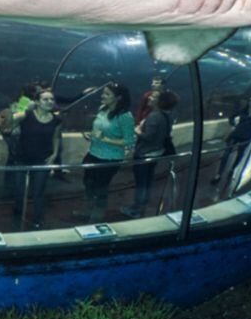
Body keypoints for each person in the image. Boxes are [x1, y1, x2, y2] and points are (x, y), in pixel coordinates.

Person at [77, 82, 135, 222]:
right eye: (103, 93)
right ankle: (88, 209)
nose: (102, 96)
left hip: (110, 158)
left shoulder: (125, 116)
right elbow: (99, 130)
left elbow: (128, 141)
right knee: (88, 182)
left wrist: (105, 139)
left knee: (101, 187)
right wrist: (92, 136)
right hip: (93, 153)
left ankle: (98, 213)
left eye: (107, 94)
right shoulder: (103, 109)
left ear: (119, 98)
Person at [122, 89, 179, 219]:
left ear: (161, 102)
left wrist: (137, 130)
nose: (150, 99)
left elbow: (148, 136)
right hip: (156, 153)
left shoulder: (155, 116)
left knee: (141, 183)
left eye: (154, 98)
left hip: (145, 154)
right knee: (147, 181)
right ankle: (142, 206)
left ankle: (136, 209)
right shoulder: (168, 115)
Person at [12, 87, 62, 229]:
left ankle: (37, 219)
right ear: (37, 102)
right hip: (22, 158)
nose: (49, 101)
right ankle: (17, 216)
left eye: (51, 99)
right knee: (19, 190)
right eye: (45, 99)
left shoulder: (57, 119)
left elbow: (56, 137)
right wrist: (20, 111)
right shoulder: (27, 115)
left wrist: (54, 154)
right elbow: (6, 120)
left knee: (38, 192)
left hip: (42, 159)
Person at [211, 93, 251, 190]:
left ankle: (232, 169)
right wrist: (233, 124)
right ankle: (219, 174)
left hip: (246, 136)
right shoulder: (243, 110)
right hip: (236, 134)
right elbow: (231, 117)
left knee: (240, 154)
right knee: (226, 153)